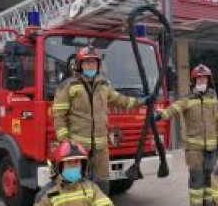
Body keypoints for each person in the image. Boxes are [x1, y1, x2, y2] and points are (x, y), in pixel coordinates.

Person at [52, 45, 148, 194]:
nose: (91, 65)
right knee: (77, 185)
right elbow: (59, 115)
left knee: (103, 183)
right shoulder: (68, 86)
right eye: (87, 62)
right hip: (78, 147)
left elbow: (120, 100)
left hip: (101, 147)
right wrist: (66, 142)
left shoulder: (103, 86)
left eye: (94, 62)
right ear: (79, 65)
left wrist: (142, 101)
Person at [155, 64, 218, 206]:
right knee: (197, 179)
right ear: (194, 80)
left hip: (212, 147)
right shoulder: (188, 99)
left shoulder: (214, 99)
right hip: (195, 149)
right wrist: (162, 115)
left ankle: (207, 205)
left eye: (204, 78)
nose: (202, 80)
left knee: (210, 178)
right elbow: (174, 108)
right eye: (199, 78)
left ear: (209, 80)